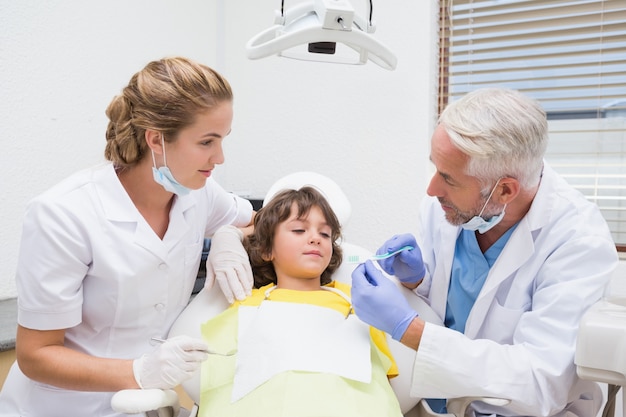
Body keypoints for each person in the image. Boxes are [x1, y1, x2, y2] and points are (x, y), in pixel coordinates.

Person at [0, 57, 254, 417]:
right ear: (156, 139)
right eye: (207, 142)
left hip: (145, 406)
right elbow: (35, 355)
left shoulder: (199, 193)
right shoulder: (63, 214)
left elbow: (264, 221)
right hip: (62, 408)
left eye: (223, 139)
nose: (220, 157)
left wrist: (230, 235)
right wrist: (138, 371)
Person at [350, 87, 620, 417]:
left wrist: (409, 329)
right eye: (435, 167)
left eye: (447, 177)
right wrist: (417, 279)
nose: (432, 188)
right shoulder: (447, 206)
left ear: (504, 190)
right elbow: (453, 303)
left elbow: (540, 381)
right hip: (438, 402)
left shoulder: (578, 241)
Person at [198, 186, 403, 417]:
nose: (315, 238)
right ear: (267, 250)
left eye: (325, 234)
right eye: (298, 230)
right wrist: (230, 234)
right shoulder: (247, 302)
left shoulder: (357, 302)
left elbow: (381, 378)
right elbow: (223, 374)